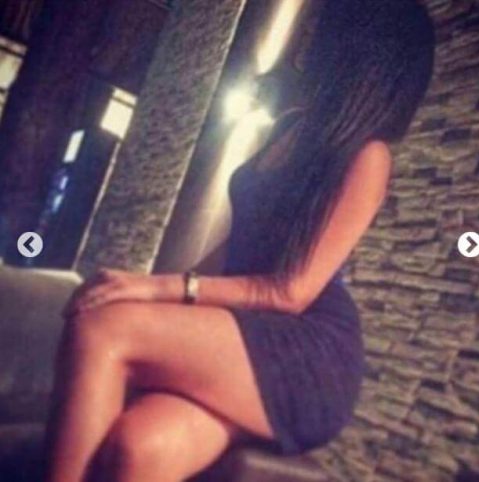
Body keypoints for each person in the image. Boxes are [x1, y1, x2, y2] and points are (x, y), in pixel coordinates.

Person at [44, 1, 435, 481]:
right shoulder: (292, 127)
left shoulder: (367, 155)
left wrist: (158, 290)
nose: (309, 37)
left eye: (323, 27)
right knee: (139, 448)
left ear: (356, 49)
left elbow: (290, 292)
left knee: (101, 327)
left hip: (307, 356)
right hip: (248, 331)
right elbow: (236, 246)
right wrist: (151, 287)